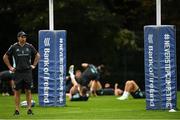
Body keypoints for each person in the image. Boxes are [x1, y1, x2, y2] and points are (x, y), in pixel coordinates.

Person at [3, 31, 40, 115]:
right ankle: (17, 110)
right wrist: (10, 67)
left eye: (25, 37)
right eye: (22, 37)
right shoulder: (14, 47)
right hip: (18, 72)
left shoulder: (29, 46)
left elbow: (38, 55)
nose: (24, 38)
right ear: (18, 38)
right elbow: (5, 57)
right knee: (17, 91)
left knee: (28, 91)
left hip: (27, 72)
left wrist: (34, 65)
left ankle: (29, 109)